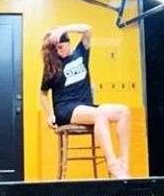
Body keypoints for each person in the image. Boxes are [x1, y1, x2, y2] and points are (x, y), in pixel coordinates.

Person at [39, 23, 132, 180]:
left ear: (68, 43)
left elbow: (88, 29)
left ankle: (124, 163)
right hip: (66, 108)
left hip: (86, 107)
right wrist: (50, 115)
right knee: (99, 115)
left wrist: (64, 29)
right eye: (55, 50)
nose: (58, 52)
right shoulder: (53, 67)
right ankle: (112, 164)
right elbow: (42, 93)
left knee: (124, 111)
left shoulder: (81, 53)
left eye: (61, 47)